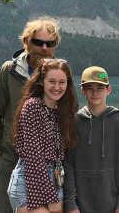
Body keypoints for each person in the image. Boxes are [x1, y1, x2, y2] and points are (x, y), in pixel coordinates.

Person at [0, 17, 61, 213]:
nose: (44, 47)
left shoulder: (59, 74)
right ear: (26, 42)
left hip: (47, 167)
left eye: (49, 43)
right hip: (10, 161)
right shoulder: (9, 71)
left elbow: (66, 117)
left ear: (54, 46)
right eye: (38, 42)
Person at [7, 58, 79, 212]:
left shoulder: (62, 110)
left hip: (55, 179)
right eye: (52, 81)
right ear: (41, 81)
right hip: (29, 180)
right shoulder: (33, 106)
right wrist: (50, 197)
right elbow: (34, 157)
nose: (57, 87)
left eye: (62, 82)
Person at [63, 66, 119, 213]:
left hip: (112, 203)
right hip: (80, 205)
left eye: (100, 88)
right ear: (82, 91)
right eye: (89, 88)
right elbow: (68, 165)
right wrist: (70, 202)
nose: (95, 93)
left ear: (108, 90)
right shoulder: (74, 123)